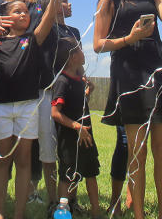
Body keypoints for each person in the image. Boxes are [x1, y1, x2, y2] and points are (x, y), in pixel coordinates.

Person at [93, 0, 162, 219]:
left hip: (158, 68)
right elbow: (98, 44)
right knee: (137, 153)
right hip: (129, 74)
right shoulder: (108, 1)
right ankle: (139, 216)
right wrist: (130, 38)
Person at [0, 0, 68, 219]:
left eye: (25, 11)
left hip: (28, 106)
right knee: (1, 160)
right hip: (0, 106)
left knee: (23, 161)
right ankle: (0, 212)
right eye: (16, 11)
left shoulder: (33, 39)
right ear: (5, 17)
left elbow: (50, 16)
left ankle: (19, 213)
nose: (23, 14)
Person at [51, 38, 102, 218]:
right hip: (69, 139)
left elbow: (78, 105)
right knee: (67, 176)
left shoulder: (80, 79)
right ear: (72, 57)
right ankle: (63, 213)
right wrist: (77, 126)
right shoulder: (62, 81)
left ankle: (96, 211)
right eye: (80, 50)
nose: (83, 53)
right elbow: (55, 113)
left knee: (90, 172)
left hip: (86, 136)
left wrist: (88, 92)